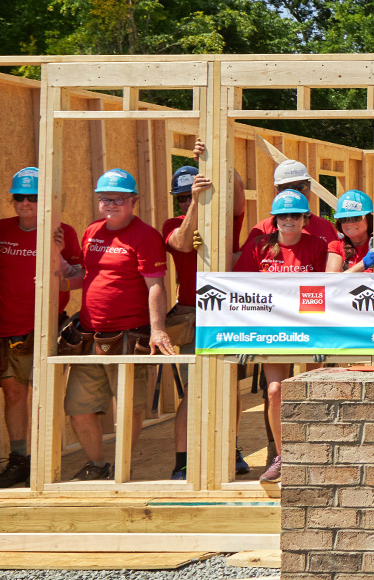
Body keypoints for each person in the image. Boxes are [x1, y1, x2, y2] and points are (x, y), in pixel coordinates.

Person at [63, 169, 177, 481]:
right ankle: (97, 466)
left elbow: (156, 285)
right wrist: (59, 268)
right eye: (105, 199)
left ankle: (122, 467)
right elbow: (83, 277)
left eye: (118, 199)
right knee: (78, 406)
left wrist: (158, 328)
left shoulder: (145, 236)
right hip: (89, 334)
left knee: (130, 407)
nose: (110, 204)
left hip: (129, 335)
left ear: (133, 201)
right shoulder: (92, 231)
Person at [233, 190, 338, 482]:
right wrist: (243, 335)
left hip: (310, 331)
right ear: (275, 219)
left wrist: (324, 334)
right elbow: (241, 289)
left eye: (295, 215)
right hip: (272, 332)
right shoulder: (259, 247)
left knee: (311, 391)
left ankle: (315, 455)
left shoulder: (317, 245)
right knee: (275, 391)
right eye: (283, 215)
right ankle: (283, 456)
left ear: (305, 219)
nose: (289, 220)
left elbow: (331, 287)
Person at [161, 155, 248, 480]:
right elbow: (182, 243)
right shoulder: (173, 225)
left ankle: (231, 447)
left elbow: (238, 193)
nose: (185, 201)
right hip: (191, 314)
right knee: (192, 390)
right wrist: (196, 202)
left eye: (190, 194)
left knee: (228, 387)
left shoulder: (224, 219)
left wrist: (215, 154)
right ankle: (183, 461)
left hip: (226, 310)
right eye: (181, 197)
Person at [0, 168, 80, 488]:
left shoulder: (63, 232)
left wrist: (57, 262)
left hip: (44, 328)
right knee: (14, 394)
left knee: (44, 396)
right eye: (20, 197)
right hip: (5, 329)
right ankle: (19, 461)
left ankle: (45, 461)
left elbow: (79, 275)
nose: (26, 203)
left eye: (33, 197)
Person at [246, 159, 340, 249]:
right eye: (288, 188)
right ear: (277, 192)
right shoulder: (263, 229)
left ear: (309, 188)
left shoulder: (325, 227)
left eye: (301, 186)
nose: (296, 193)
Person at [326, 189, 374, 273]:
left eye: (356, 218)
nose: (350, 223)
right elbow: (333, 282)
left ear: (368, 219)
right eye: (344, 219)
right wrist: (364, 263)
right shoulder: (336, 246)